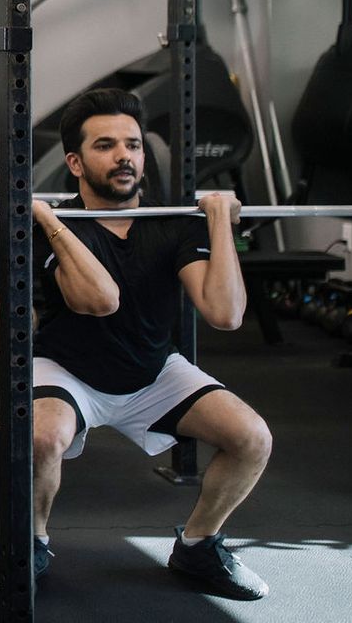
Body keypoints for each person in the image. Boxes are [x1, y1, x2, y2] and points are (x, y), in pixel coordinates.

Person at [29, 87, 272, 599]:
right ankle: (30, 542)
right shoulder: (53, 227)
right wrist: (47, 216)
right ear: (74, 161)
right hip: (68, 370)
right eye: (105, 146)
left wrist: (220, 220)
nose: (124, 156)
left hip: (153, 371)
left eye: (133, 145)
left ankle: (199, 546)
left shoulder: (173, 224)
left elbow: (225, 314)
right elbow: (99, 300)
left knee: (252, 437)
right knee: (43, 437)